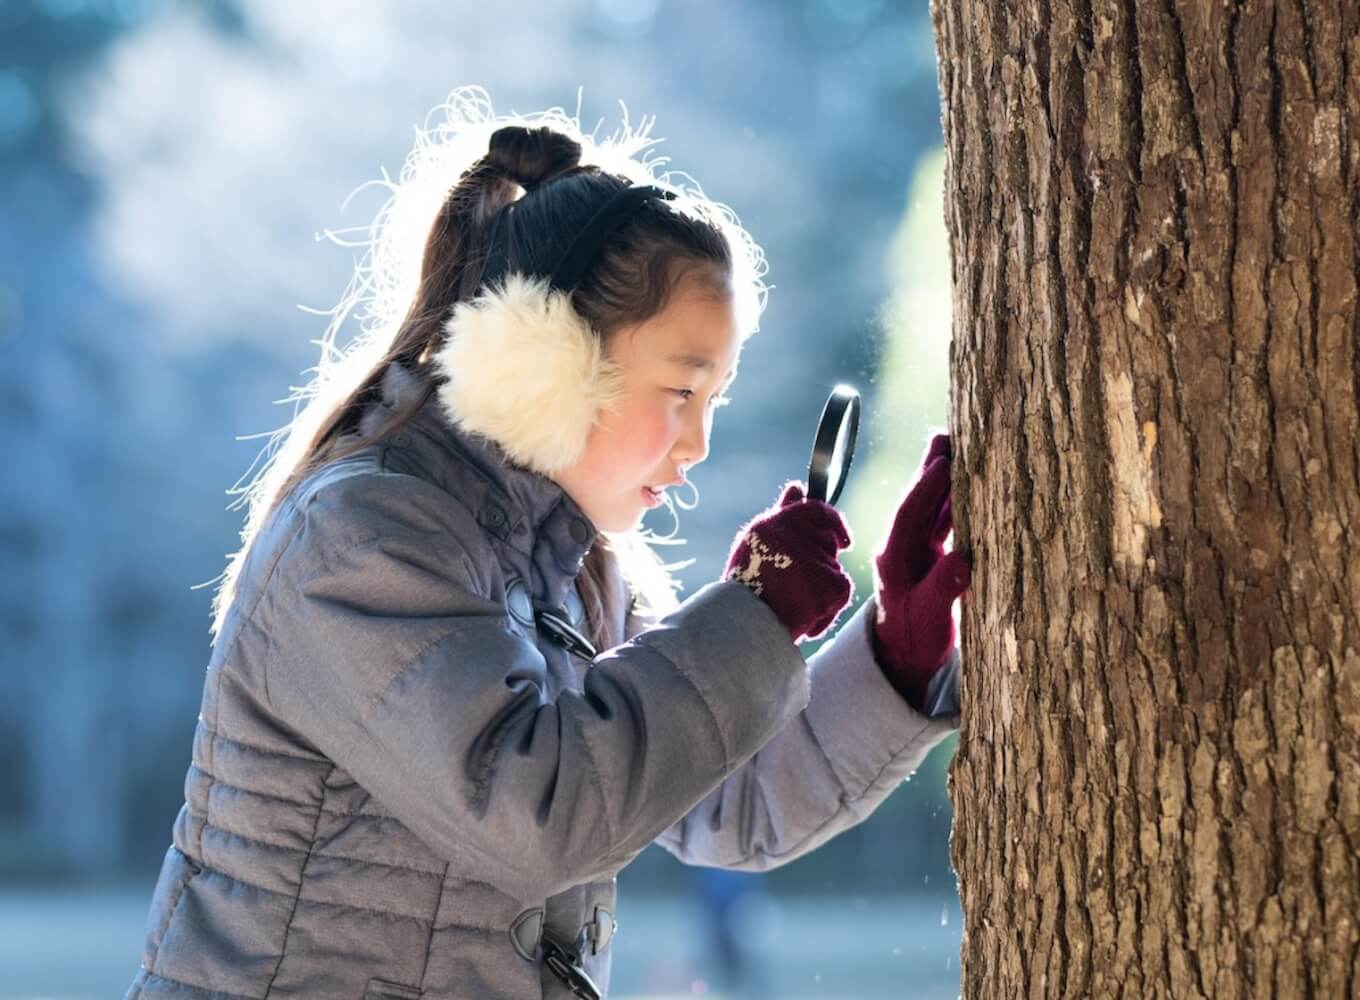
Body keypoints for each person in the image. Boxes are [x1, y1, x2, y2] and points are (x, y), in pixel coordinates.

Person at [125, 99, 971, 999]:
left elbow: (725, 796)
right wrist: (755, 616)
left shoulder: (581, 568)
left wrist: (894, 655)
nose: (699, 444)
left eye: (716, 398)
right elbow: (537, 812)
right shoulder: (360, 537)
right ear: (546, 363)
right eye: (681, 392)